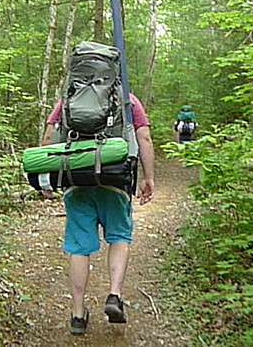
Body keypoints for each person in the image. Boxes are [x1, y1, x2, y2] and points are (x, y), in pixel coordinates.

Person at [41, 93, 155, 336]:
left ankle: (78, 314)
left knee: (79, 247)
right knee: (119, 237)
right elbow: (143, 137)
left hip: (77, 181)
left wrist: (47, 177)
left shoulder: (69, 99)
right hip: (115, 179)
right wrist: (149, 177)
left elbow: (50, 136)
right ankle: (114, 295)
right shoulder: (128, 100)